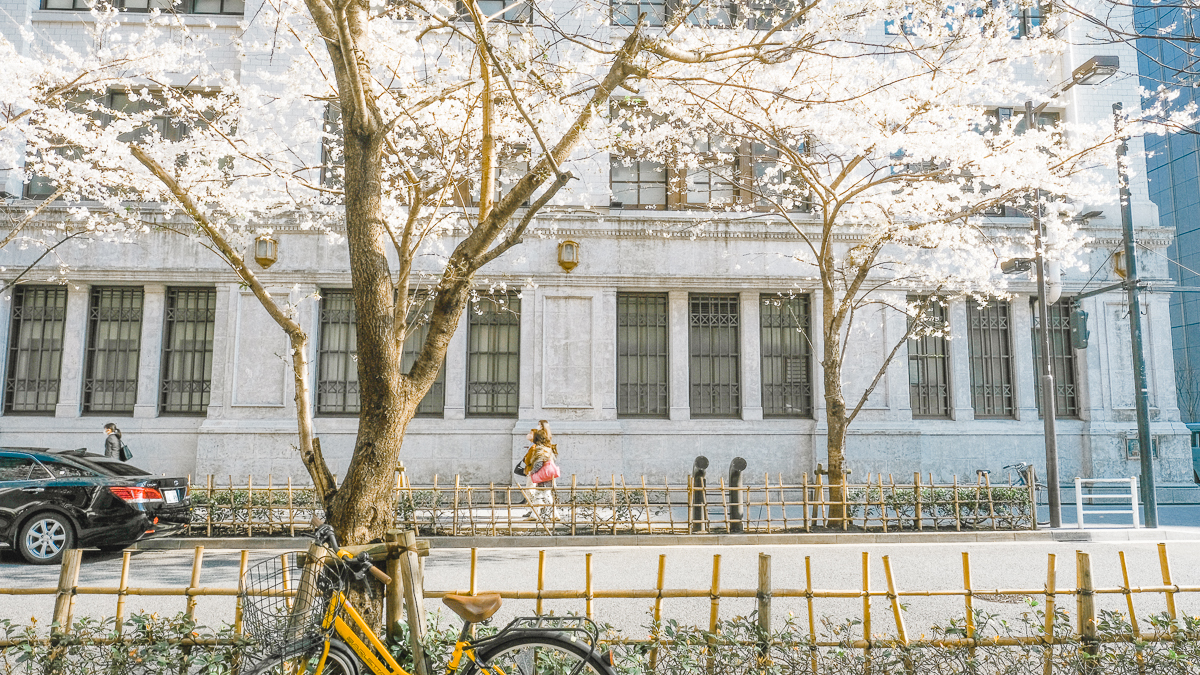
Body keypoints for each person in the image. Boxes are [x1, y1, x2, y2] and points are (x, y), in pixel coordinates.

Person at [522, 420, 559, 521]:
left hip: (542, 477)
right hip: (547, 476)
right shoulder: (547, 448)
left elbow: (539, 463)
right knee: (545, 496)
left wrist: (532, 472)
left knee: (540, 495)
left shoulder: (540, 449)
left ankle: (537, 515)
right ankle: (550, 515)